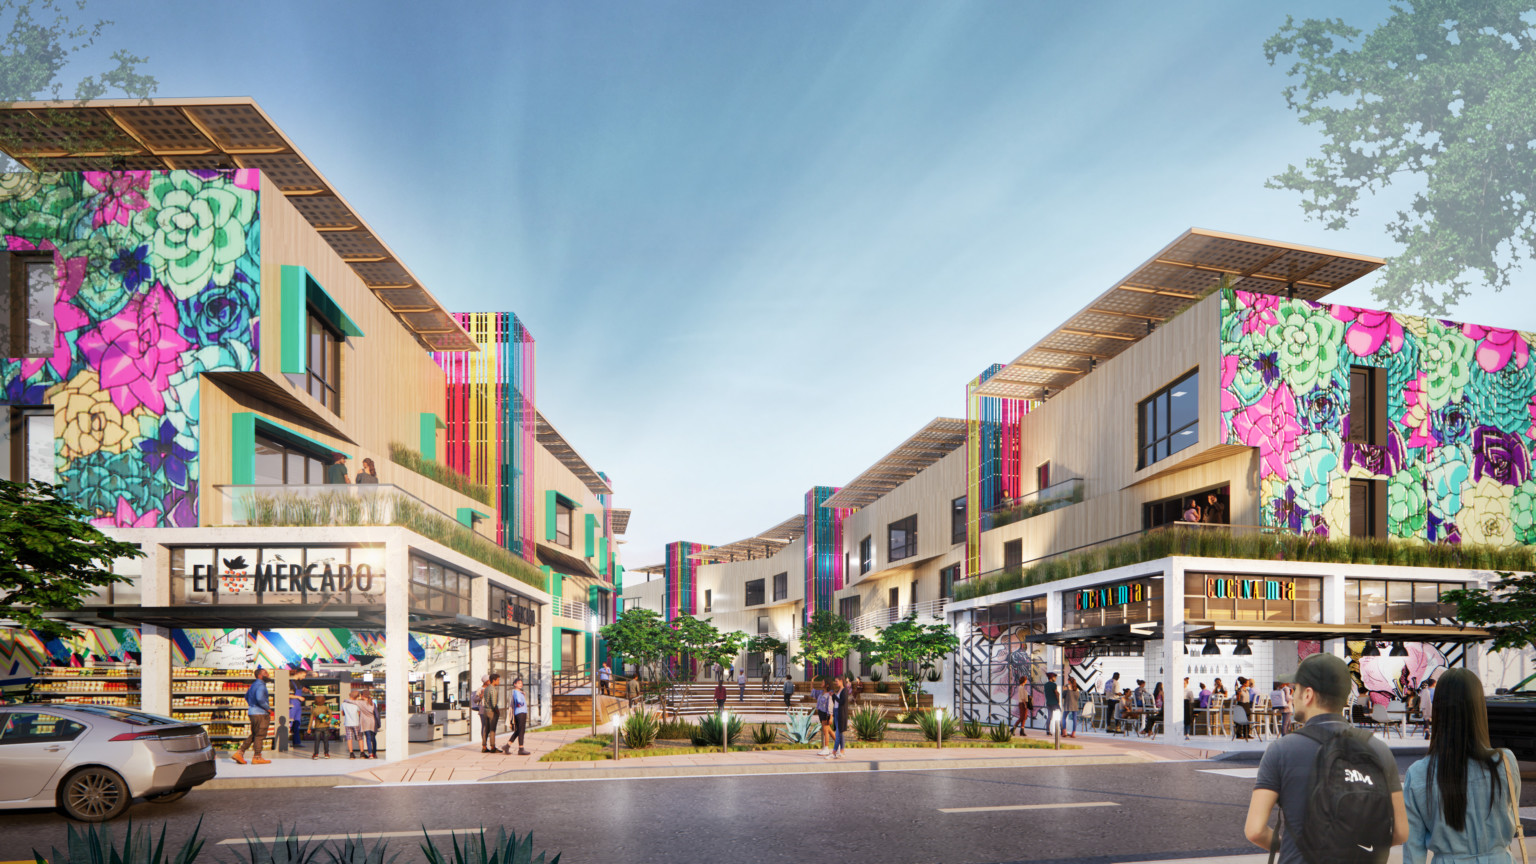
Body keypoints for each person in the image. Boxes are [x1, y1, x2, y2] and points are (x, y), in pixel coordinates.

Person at [1244, 653, 1407, 864]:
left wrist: (1294, 846)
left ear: (1308, 694)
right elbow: (1400, 832)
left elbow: (1255, 831)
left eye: (1296, 690)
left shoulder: (1281, 750)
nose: (1292, 696)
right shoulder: (1379, 749)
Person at [1403, 668, 1521, 864]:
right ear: (1479, 709)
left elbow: (1413, 848)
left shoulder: (1418, 773)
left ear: (1439, 710)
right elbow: (1511, 812)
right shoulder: (1505, 762)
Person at [233, 668, 271, 765]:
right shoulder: (261, 686)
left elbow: (246, 696)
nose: (268, 674)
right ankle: (257, 757)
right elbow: (260, 698)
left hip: (252, 712)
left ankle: (240, 752)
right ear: (259, 675)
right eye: (265, 673)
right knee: (260, 735)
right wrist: (268, 709)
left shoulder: (253, 685)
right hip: (261, 713)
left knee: (255, 734)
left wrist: (252, 705)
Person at [502, 676, 530, 756]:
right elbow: (519, 702)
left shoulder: (519, 692)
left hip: (520, 713)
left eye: (521, 683)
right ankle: (521, 749)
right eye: (518, 683)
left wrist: (523, 695)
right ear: (514, 684)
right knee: (521, 731)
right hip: (520, 713)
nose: (520, 684)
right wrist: (521, 700)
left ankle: (507, 746)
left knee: (518, 731)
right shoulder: (516, 692)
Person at [480, 673, 501, 753]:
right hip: (491, 712)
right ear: (494, 680)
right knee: (492, 730)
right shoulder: (493, 689)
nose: (499, 682)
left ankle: (484, 746)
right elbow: (494, 703)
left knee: (486, 729)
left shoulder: (487, 688)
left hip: (485, 711)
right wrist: (497, 711)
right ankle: (493, 747)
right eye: (498, 680)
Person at [287, 669, 309, 748]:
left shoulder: (298, 682)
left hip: (298, 706)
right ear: (299, 673)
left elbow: (301, 688)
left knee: (297, 723)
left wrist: (307, 690)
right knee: (290, 723)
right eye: (303, 675)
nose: (304, 677)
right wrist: (298, 697)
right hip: (292, 705)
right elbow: (287, 694)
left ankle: (296, 742)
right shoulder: (290, 683)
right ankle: (284, 742)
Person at [310, 693, 335, 759]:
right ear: (324, 701)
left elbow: (311, 719)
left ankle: (316, 754)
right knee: (326, 741)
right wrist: (329, 720)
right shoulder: (326, 708)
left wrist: (309, 728)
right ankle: (326, 754)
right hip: (325, 726)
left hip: (317, 727)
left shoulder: (314, 710)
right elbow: (330, 713)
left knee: (317, 741)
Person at [340, 687, 363, 758]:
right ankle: (362, 753)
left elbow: (342, 714)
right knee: (360, 738)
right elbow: (359, 714)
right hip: (356, 723)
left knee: (349, 739)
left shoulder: (343, 704)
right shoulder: (357, 704)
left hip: (347, 723)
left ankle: (351, 754)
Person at [828, 678, 847, 759]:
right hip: (836, 711)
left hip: (840, 713)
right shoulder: (839, 690)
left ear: (841, 681)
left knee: (838, 733)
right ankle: (842, 752)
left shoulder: (844, 690)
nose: (835, 683)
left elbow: (842, 701)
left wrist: (834, 695)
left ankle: (834, 752)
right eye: (835, 681)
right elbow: (836, 701)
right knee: (840, 733)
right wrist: (832, 695)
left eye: (836, 681)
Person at [358, 689, 379, 759]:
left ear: (362, 695)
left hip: (365, 723)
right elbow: (376, 715)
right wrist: (378, 723)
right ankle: (374, 753)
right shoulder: (373, 703)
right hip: (373, 723)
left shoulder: (361, 703)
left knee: (368, 738)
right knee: (373, 738)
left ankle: (370, 754)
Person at [813, 678, 832, 756]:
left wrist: (831, 717)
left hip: (825, 713)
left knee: (825, 731)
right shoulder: (821, 692)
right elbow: (813, 691)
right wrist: (812, 681)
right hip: (821, 712)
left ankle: (826, 748)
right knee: (829, 730)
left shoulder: (829, 694)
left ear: (827, 685)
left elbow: (830, 706)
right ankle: (839, 745)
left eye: (823, 682)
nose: (821, 683)